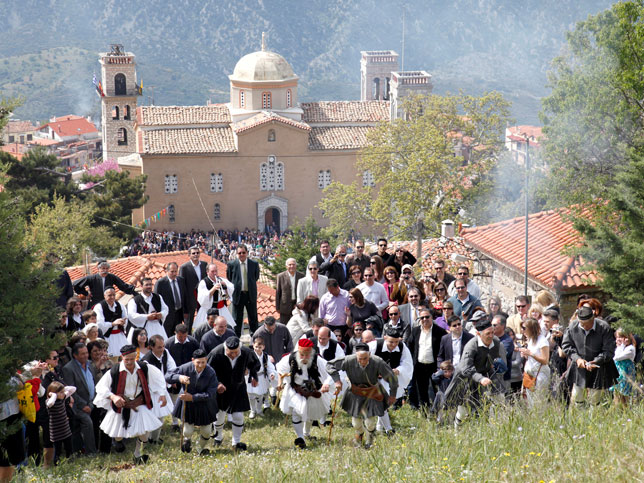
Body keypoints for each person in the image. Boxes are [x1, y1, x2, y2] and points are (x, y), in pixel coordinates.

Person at [93, 345, 170, 464]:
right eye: (126, 359)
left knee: (144, 433)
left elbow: (159, 378)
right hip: (121, 406)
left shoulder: (144, 367)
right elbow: (100, 387)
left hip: (138, 404)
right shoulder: (114, 371)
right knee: (118, 435)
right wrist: (113, 397)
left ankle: (138, 454)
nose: (129, 362)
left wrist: (162, 394)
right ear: (122, 358)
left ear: (136, 357)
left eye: (132, 359)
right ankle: (117, 441)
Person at [326, 342, 397, 449]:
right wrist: (337, 381)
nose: (363, 361)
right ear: (356, 355)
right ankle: (359, 436)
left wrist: (393, 395)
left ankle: (370, 439)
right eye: (360, 358)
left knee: (370, 422)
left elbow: (392, 378)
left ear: (369, 354)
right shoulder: (349, 360)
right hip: (355, 393)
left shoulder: (377, 361)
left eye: (365, 358)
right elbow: (330, 365)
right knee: (356, 423)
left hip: (372, 394)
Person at [445, 317, 507, 428]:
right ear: (478, 334)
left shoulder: (496, 342)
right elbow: (466, 368)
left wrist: (499, 366)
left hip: (486, 375)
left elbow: (496, 359)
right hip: (466, 377)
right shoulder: (471, 346)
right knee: (463, 410)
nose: (491, 336)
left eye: (492, 332)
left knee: (499, 397)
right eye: (488, 333)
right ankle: (456, 433)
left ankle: (495, 428)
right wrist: (480, 378)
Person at [275, 338, 334, 449]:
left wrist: (326, 383)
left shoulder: (317, 359)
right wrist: (280, 382)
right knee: (297, 412)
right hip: (296, 389)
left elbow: (331, 371)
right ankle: (300, 437)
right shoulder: (291, 358)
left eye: (307, 355)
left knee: (310, 413)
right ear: (299, 351)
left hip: (313, 390)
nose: (304, 358)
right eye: (302, 355)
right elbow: (280, 370)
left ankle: (306, 433)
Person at [207, 337, 259, 450]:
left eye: (236, 352)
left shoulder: (245, 352)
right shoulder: (215, 353)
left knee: (238, 416)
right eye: (231, 353)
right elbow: (208, 372)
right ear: (225, 349)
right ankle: (218, 438)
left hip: (238, 386)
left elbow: (254, 363)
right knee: (219, 415)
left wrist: (253, 375)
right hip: (221, 388)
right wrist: (217, 384)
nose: (234, 355)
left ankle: (236, 442)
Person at [166, 349, 219, 455]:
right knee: (187, 431)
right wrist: (179, 377)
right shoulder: (185, 368)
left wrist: (193, 397)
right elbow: (167, 376)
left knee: (207, 432)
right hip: (188, 404)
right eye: (198, 362)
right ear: (192, 360)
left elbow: (211, 393)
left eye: (203, 362)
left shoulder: (211, 372)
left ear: (206, 360)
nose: (200, 365)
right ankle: (187, 440)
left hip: (205, 404)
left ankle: (200, 448)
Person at [562, 305, 616, 407]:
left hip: (599, 366)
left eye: (587, 324)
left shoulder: (604, 327)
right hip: (579, 366)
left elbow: (609, 350)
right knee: (577, 398)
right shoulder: (572, 327)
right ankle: (580, 421)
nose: (585, 327)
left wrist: (596, 361)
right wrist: (577, 359)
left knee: (595, 400)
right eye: (582, 324)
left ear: (593, 319)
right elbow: (566, 346)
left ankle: (594, 420)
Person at [369, 326, 413, 433]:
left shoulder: (402, 347)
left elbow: (407, 364)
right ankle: (389, 429)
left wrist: (398, 370)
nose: (394, 345)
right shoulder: (374, 345)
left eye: (396, 342)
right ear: (385, 338)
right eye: (391, 342)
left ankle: (380, 428)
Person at [406, 308, 446, 411]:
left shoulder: (440, 332)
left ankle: (439, 411)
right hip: (419, 366)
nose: (424, 319)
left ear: (432, 317)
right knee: (422, 391)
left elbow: (444, 349)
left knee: (438, 390)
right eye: (422, 317)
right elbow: (409, 347)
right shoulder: (415, 331)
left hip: (434, 366)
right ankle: (425, 413)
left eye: (427, 317)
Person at [62, 343, 97, 455]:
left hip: (92, 402)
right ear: (75, 355)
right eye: (82, 354)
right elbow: (71, 391)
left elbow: (94, 384)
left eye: (87, 353)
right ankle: (91, 452)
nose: (86, 356)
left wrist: (91, 404)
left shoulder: (90, 365)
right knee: (87, 422)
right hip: (77, 406)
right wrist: (83, 405)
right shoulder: (68, 369)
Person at [140, 335, 176, 443]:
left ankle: (154, 439)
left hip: (161, 389)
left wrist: (170, 378)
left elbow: (172, 367)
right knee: (151, 416)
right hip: (151, 391)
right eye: (159, 347)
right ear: (151, 347)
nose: (162, 349)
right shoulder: (146, 361)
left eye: (163, 346)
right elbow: (149, 379)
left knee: (160, 417)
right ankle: (148, 439)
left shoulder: (166, 353)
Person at [165, 323, 200, 430]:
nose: (183, 339)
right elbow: (166, 362)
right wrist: (172, 379)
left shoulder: (193, 342)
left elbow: (198, 357)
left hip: (189, 375)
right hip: (175, 374)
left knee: (189, 397)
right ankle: (175, 422)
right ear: (175, 333)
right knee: (175, 398)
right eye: (180, 337)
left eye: (185, 336)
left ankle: (188, 420)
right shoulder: (169, 344)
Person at [227, 244, 260, 337]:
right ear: (237, 254)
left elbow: (256, 277)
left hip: (250, 295)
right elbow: (229, 278)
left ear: (247, 253)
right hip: (238, 295)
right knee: (237, 319)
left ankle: (254, 338)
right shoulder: (231, 264)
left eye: (243, 252)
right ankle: (236, 338)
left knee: (253, 318)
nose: (241, 254)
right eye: (239, 253)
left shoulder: (254, 264)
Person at [518, 317, 550, 405]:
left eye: (524, 328)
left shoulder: (542, 341)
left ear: (531, 329)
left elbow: (545, 360)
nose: (522, 330)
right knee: (529, 403)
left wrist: (530, 354)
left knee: (539, 403)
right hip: (530, 374)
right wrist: (526, 355)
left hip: (540, 375)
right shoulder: (531, 339)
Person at [194, 263, 235, 331]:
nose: (215, 273)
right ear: (207, 272)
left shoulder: (221, 279)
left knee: (225, 328)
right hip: (208, 310)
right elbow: (202, 298)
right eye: (212, 271)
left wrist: (225, 286)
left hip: (221, 309)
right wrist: (213, 289)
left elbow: (231, 290)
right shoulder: (203, 282)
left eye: (216, 271)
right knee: (206, 329)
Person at [154, 262, 188, 336]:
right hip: (167, 316)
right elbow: (156, 300)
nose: (174, 273)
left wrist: (185, 311)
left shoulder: (181, 280)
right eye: (172, 271)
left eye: (176, 271)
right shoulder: (160, 283)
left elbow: (184, 296)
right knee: (167, 335)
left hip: (179, 314)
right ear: (167, 271)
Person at [179, 246, 208, 332]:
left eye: (197, 253)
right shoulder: (184, 267)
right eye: (193, 253)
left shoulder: (204, 265)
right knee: (189, 323)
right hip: (190, 299)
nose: (196, 255)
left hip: (203, 298)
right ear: (189, 255)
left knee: (204, 320)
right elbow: (182, 285)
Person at [45, 382, 76, 464]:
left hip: (65, 429)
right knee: (57, 450)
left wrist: (64, 389)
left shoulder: (63, 398)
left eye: (63, 392)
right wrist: (54, 396)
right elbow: (50, 403)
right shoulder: (49, 402)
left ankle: (71, 462)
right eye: (61, 392)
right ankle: (56, 464)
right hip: (56, 431)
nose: (63, 394)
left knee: (69, 448)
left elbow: (73, 389)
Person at [94, 286, 129, 359]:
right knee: (109, 358)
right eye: (109, 295)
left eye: (114, 295)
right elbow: (99, 324)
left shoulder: (120, 305)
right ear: (104, 296)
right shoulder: (99, 307)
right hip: (107, 336)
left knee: (124, 356)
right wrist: (113, 323)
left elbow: (125, 318)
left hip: (120, 336)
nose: (112, 297)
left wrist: (123, 322)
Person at [247, 335, 277, 418]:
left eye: (260, 347)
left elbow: (269, 366)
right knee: (251, 395)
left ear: (263, 347)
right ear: (253, 345)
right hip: (252, 377)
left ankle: (259, 410)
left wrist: (272, 373)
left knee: (260, 395)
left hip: (261, 377)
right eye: (256, 347)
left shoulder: (265, 356)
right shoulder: (249, 355)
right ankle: (252, 411)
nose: (257, 349)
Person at [611, 328, 636, 407]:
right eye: (617, 337)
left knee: (626, 396)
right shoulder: (620, 348)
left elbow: (617, 357)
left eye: (621, 337)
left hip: (626, 376)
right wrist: (620, 346)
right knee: (617, 396)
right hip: (618, 376)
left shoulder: (630, 349)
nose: (618, 339)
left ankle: (627, 411)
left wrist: (621, 345)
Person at [276, 258, 305, 324]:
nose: (292, 266)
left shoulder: (301, 276)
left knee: (297, 325)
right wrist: (277, 307)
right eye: (290, 265)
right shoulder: (280, 276)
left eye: (293, 264)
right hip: (284, 306)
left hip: (297, 305)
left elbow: (303, 291)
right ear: (286, 266)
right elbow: (278, 292)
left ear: (296, 265)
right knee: (284, 325)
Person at [492, 314, 514, 392]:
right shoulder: (490, 338)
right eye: (491, 324)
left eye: (495, 325)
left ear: (503, 326)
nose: (492, 327)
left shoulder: (507, 341)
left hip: (504, 378)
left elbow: (500, 355)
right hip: (491, 377)